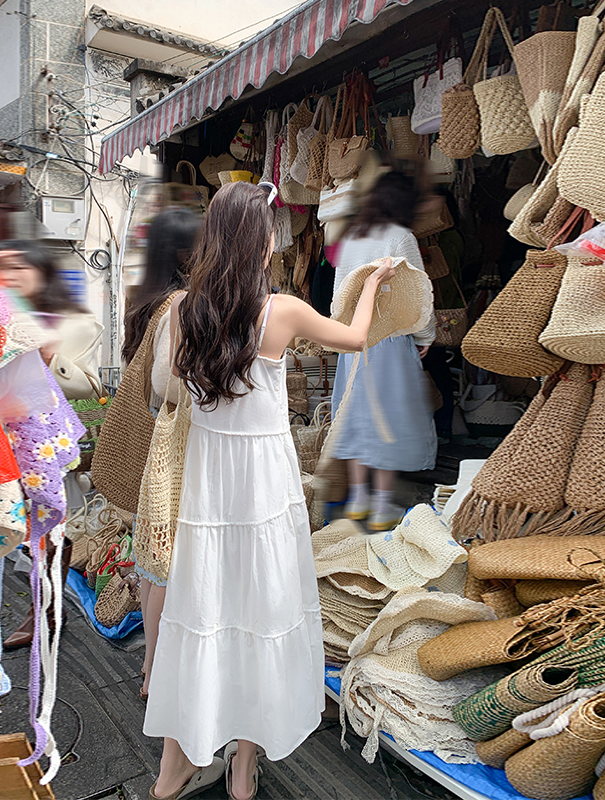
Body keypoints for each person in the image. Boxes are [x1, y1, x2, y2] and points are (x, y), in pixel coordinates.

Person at [144, 181, 397, 800]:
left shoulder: (182, 309)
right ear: (262, 243)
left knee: (203, 609)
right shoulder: (280, 310)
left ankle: (174, 770)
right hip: (264, 481)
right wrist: (368, 286)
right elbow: (357, 338)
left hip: (209, 479)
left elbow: (167, 391)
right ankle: (243, 767)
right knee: (264, 606)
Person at [0, 239, 104, 650]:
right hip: (1, 441)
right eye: (1, 266)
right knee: (16, 527)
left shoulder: (72, 322)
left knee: (53, 531)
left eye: (20, 266)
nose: (10, 274)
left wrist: (46, 356)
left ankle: (46, 612)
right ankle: (43, 608)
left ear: (42, 273)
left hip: (46, 446)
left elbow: (89, 384)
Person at [122, 208, 202, 701]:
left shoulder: (145, 297)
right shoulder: (178, 303)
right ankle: (155, 669)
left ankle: (152, 667)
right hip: (171, 443)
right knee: (165, 565)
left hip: (152, 439)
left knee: (154, 563)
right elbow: (168, 383)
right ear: (184, 253)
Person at [330, 170, 437, 531]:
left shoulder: (351, 238)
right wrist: (425, 336)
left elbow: (339, 298)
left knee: (358, 418)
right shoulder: (401, 237)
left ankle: (359, 497)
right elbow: (417, 294)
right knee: (388, 421)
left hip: (355, 341)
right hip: (390, 339)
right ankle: (381, 504)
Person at [0, 239, 104, 401]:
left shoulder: (76, 324)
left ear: (42, 273)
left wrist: (50, 359)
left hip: (48, 421)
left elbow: (88, 391)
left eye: (18, 267)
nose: (7, 276)